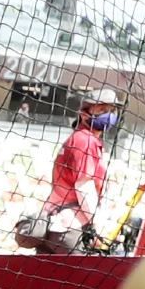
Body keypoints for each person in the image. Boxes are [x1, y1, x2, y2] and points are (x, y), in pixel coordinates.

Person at [35, 89, 120, 253]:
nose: (108, 115)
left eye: (111, 110)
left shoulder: (80, 137)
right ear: (84, 113)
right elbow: (84, 185)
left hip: (56, 223)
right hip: (71, 228)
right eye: (102, 109)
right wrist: (94, 225)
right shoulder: (85, 141)